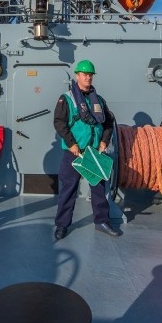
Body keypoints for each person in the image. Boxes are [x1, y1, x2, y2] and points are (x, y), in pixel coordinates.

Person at [52, 59, 120, 240]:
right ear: (77, 76)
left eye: (90, 75)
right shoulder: (66, 99)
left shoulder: (99, 100)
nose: (88, 77)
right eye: (85, 74)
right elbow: (59, 123)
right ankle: (61, 225)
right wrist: (72, 144)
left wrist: (104, 142)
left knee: (98, 189)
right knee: (69, 189)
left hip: (93, 153)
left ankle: (102, 221)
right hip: (73, 152)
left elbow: (107, 124)